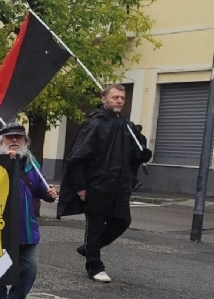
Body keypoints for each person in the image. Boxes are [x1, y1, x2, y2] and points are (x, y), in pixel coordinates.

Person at [58, 84, 152, 283]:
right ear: (104, 99)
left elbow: (133, 155)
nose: (119, 101)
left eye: (122, 98)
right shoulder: (95, 125)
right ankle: (94, 265)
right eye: (115, 97)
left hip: (119, 187)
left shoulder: (127, 126)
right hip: (97, 186)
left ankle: (89, 248)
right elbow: (77, 158)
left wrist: (142, 154)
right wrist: (81, 187)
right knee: (95, 226)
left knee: (122, 221)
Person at [0, 124, 57, 299]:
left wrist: (49, 193)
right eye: (10, 138)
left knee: (29, 269)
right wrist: (4, 164)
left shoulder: (31, 162)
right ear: (2, 141)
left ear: (26, 141)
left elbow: (39, 188)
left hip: (26, 227)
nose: (15, 141)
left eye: (19, 137)